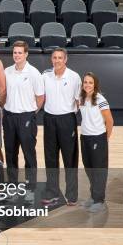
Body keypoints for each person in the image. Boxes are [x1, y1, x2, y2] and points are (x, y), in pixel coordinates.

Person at [1, 41, 44, 196]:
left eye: (20, 52)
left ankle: (31, 184)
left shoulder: (33, 73)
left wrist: (31, 113)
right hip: (9, 116)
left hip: (26, 116)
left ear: (26, 54)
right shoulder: (7, 71)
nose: (17, 55)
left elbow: (40, 97)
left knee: (28, 152)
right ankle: (12, 183)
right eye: (15, 52)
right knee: (11, 152)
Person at [42, 48, 81, 206]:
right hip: (49, 119)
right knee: (50, 158)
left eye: (60, 58)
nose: (57, 60)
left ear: (66, 59)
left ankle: (71, 195)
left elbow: (79, 101)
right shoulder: (45, 76)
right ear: (51, 59)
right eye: (54, 58)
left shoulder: (74, 77)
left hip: (67, 120)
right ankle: (52, 193)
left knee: (70, 159)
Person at [79, 72, 113, 213]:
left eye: (90, 82)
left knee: (99, 170)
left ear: (95, 84)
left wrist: (105, 138)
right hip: (85, 137)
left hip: (97, 138)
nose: (87, 84)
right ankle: (94, 197)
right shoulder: (81, 98)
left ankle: (100, 201)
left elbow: (110, 121)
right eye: (85, 82)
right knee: (89, 168)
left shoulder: (100, 99)